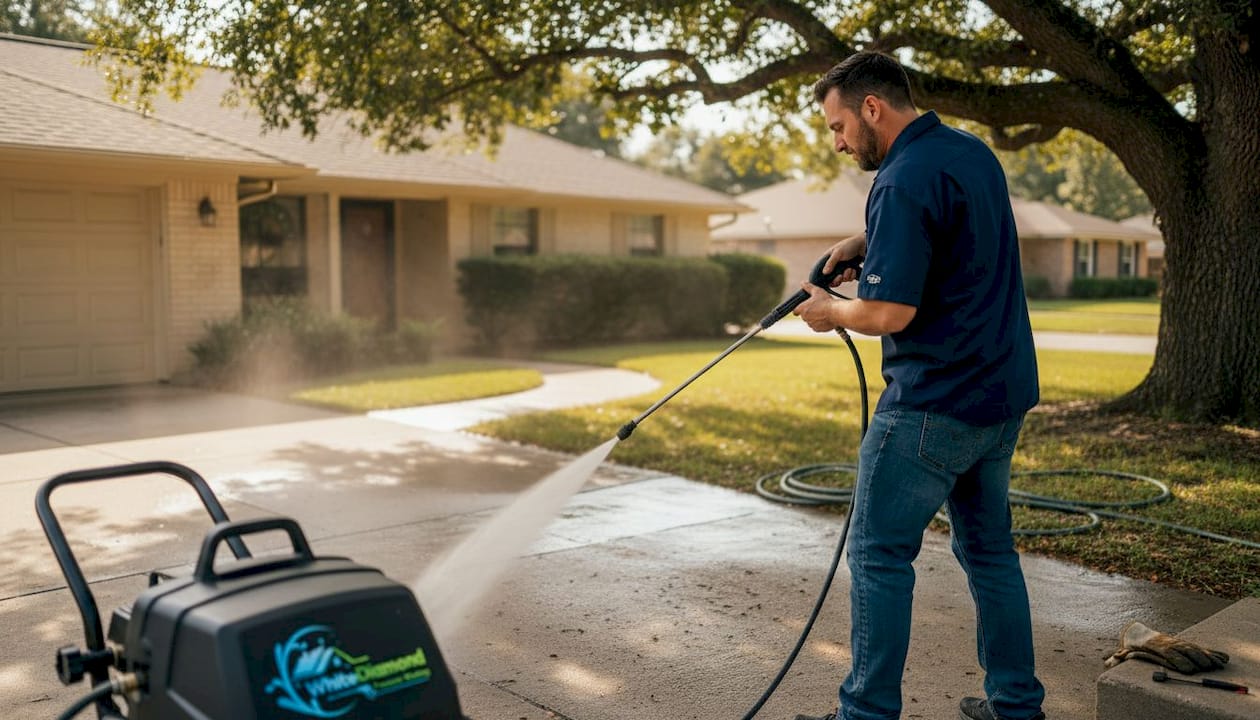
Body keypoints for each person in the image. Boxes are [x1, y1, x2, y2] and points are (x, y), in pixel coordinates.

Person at [790, 52, 1046, 720]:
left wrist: (827, 311)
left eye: (838, 125)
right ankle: (1017, 707)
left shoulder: (900, 180)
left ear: (872, 108)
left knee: (878, 557)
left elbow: (885, 314)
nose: (839, 141)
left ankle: (866, 714)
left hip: (931, 408)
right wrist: (865, 240)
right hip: (1000, 399)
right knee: (991, 555)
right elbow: (952, 237)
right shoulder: (969, 152)